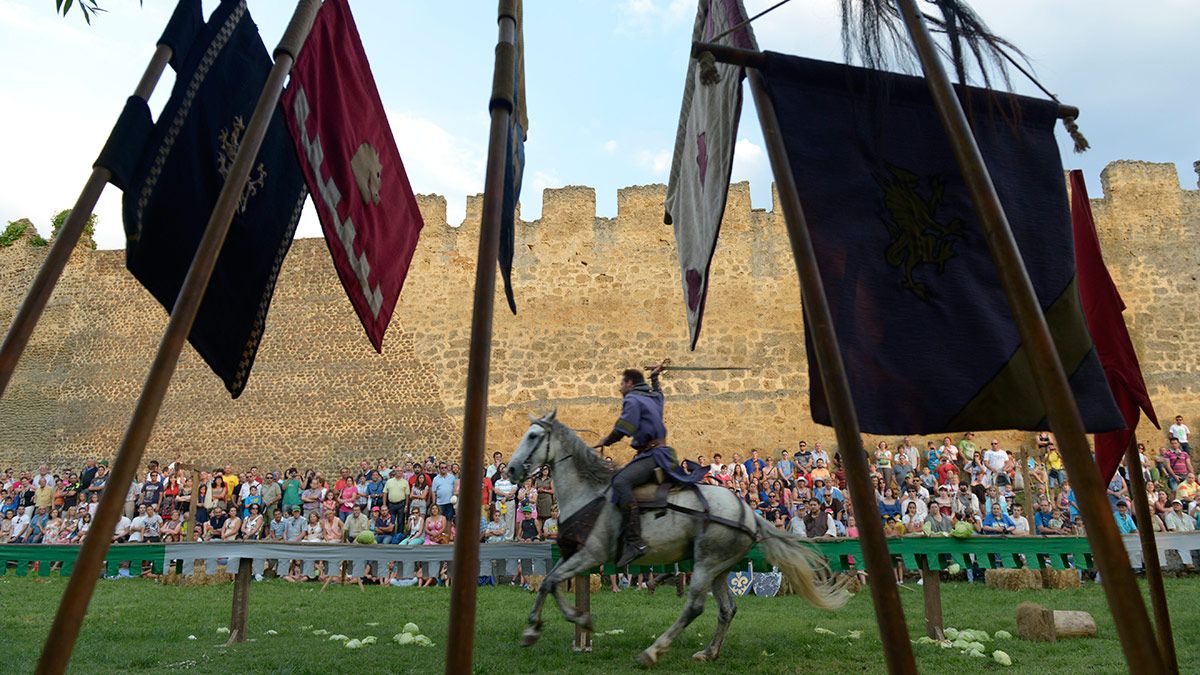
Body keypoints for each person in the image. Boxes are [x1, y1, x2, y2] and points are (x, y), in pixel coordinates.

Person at [596, 362, 706, 566]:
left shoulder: (632, 399)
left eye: (622, 382)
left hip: (653, 456)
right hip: (662, 453)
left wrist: (606, 440)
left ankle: (635, 542)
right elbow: (660, 394)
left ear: (630, 383)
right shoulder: (651, 398)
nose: (620, 386)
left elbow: (624, 427)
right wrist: (655, 377)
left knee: (620, 482)